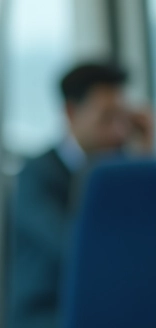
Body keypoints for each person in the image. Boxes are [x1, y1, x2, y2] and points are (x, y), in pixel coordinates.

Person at [8, 62, 153, 328]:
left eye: (124, 119)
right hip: (49, 309)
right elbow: (77, 249)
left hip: (112, 299)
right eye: (107, 118)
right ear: (71, 113)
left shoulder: (121, 169)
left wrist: (144, 158)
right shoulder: (37, 177)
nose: (119, 132)